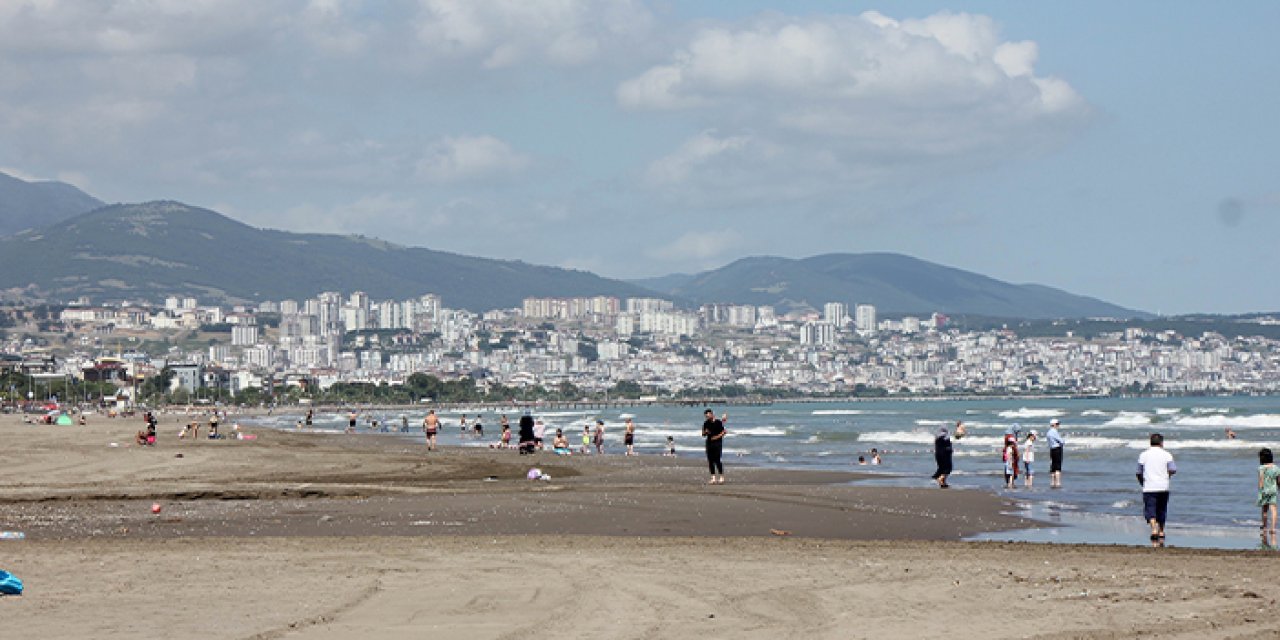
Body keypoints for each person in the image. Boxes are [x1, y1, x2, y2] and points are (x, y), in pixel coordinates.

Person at [1137, 433, 1176, 545]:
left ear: (1150, 442)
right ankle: (1162, 531)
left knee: (1150, 509)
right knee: (1162, 509)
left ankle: (1154, 529)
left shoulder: (1144, 455)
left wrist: (1142, 482)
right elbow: (1173, 469)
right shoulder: (1167, 455)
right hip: (1163, 486)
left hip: (1149, 486)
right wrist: (1167, 475)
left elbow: (1138, 472)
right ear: (1161, 443)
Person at [1258, 448, 1279, 546]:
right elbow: (1279, 480)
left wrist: (1260, 490)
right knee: (1274, 509)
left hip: (1264, 490)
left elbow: (1261, 480)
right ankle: (1273, 528)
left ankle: (1264, 527)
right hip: (1273, 490)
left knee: (1265, 510)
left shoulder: (1261, 468)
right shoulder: (1276, 468)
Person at [702, 409, 727, 484]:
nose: (707, 417)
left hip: (717, 443)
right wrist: (705, 432)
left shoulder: (718, 422)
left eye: (708, 415)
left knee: (717, 460)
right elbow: (703, 434)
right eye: (706, 416)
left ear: (712, 414)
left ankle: (721, 476)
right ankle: (713, 478)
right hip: (709, 443)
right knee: (710, 461)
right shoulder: (706, 423)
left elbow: (724, 432)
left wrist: (717, 437)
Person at [1047, 418, 1065, 488]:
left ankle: (1052, 482)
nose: (1058, 426)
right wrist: (1063, 441)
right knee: (1058, 467)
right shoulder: (1054, 432)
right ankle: (1058, 482)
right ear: (1054, 425)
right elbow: (1061, 441)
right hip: (1057, 449)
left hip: (1052, 449)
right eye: (1057, 424)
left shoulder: (1048, 432)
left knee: (1053, 466)